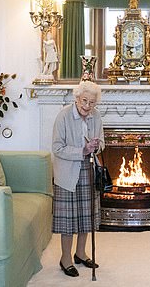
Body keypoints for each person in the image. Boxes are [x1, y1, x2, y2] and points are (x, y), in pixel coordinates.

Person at [51, 81, 104, 278]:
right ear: (77, 98)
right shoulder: (64, 115)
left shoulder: (96, 116)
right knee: (69, 220)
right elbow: (57, 148)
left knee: (85, 216)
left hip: (89, 169)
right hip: (67, 172)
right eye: (84, 101)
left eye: (92, 102)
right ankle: (66, 258)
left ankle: (80, 253)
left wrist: (96, 146)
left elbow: (102, 142)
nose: (87, 106)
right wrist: (82, 150)